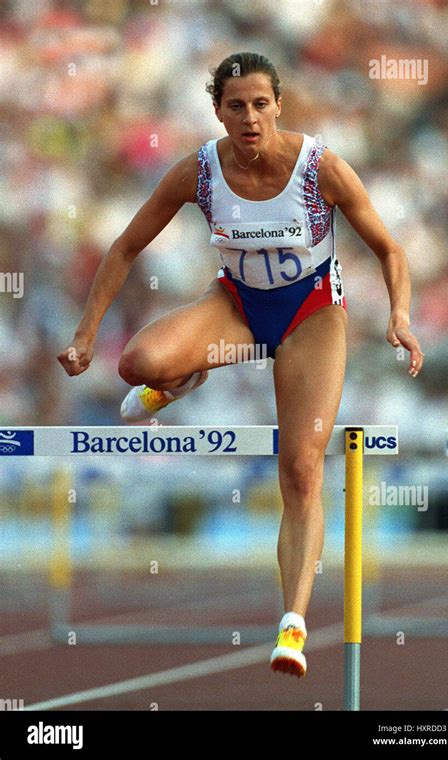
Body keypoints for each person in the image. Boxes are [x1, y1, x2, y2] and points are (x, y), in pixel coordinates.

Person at [57, 52, 425, 678]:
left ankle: (293, 624)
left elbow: (390, 248)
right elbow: (125, 246)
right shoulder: (200, 172)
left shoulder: (321, 168)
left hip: (311, 316)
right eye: (236, 106)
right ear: (218, 112)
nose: (250, 118)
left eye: (260, 104)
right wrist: (87, 334)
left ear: (279, 105)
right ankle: (188, 375)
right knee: (137, 365)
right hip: (234, 307)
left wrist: (400, 316)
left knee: (303, 468)